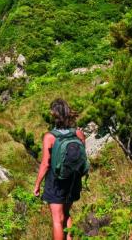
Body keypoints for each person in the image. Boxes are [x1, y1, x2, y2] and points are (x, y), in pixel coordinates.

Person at [33, 98, 86, 240]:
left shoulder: (49, 137)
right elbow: (82, 156)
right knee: (66, 213)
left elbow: (45, 164)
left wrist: (37, 184)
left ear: (54, 116)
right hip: (73, 180)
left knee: (57, 219)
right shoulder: (78, 134)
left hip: (56, 182)